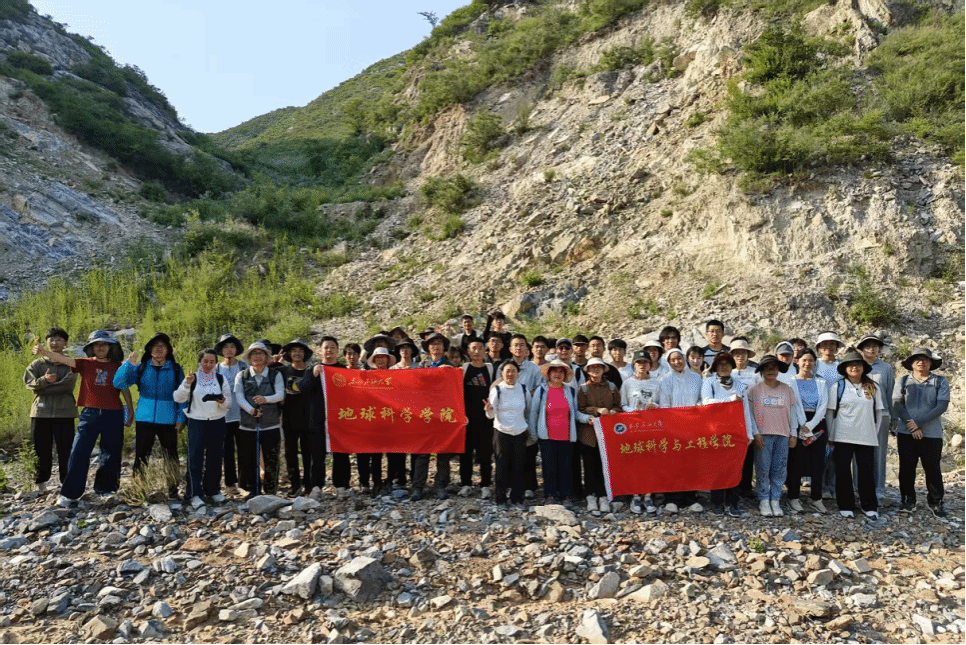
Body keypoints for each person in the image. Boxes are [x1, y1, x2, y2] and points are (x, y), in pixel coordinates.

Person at [35, 330, 133, 506]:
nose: (101, 348)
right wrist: (44, 352)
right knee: (79, 451)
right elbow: (63, 359)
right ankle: (70, 493)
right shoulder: (84, 364)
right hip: (90, 413)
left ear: (110, 347)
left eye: (104, 344)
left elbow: (124, 387)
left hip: (114, 413)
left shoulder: (118, 366)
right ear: (91, 348)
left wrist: (130, 409)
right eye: (97, 345)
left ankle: (107, 490)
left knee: (111, 452)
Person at [114, 332, 185, 498]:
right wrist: (128, 365)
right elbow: (118, 382)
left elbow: (183, 395)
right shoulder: (141, 367)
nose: (159, 349)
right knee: (141, 455)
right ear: (150, 350)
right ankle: (139, 489)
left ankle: (173, 490)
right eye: (155, 346)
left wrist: (181, 417)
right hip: (144, 418)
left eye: (163, 346)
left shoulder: (175, 369)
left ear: (168, 350)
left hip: (168, 417)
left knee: (171, 455)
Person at [826, 348, 884, 519]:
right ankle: (846, 505)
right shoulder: (838, 386)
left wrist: (874, 432)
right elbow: (830, 412)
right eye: (850, 364)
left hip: (866, 436)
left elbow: (879, 412)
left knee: (866, 472)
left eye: (858, 364)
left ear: (864, 367)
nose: (854, 367)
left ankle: (869, 505)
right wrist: (830, 435)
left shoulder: (872, 386)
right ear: (845, 368)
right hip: (842, 435)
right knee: (843, 471)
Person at [892, 347, 950, 517]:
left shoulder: (940, 381)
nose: (921, 362)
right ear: (911, 363)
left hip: (931, 433)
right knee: (906, 468)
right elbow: (897, 404)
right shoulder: (903, 381)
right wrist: (911, 425)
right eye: (916, 359)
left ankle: (936, 501)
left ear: (931, 363)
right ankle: (908, 500)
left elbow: (942, 405)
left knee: (932, 469)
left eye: (925, 359)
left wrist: (918, 423)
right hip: (906, 433)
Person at [745, 355, 805, 517]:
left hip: (783, 434)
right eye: (767, 368)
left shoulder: (787, 389)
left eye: (774, 367)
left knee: (780, 468)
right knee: (763, 468)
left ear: (779, 370)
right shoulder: (754, 390)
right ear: (761, 371)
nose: (770, 371)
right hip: (763, 434)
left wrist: (794, 433)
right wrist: (755, 432)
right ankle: (764, 499)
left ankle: (775, 499)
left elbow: (793, 412)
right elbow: (749, 414)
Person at [174, 348, 232, 507]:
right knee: (195, 458)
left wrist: (222, 402)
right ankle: (193, 493)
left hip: (217, 421)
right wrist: (187, 384)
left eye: (212, 362)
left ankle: (213, 490)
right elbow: (178, 397)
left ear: (216, 363)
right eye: (205, 361)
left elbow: (228, 402)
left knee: (215, 457)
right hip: (196, 422)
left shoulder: (220, 379)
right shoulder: (192, 378)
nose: (208, 364)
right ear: (200, 362)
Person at [23, 327, 77, 492]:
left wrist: (42, 388)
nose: (55, 343)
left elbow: (68, 386)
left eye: (59, 339)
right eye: (51, 339)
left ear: (65, 342)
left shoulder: (70, 363)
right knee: (40, 448)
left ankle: (67, 483)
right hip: (41, 413)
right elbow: (29, 383)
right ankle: (41, 483)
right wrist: (44, 380)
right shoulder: (37, 364)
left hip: (65, 412)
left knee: (66, 449)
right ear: (46, 342)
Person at [529, 360, 589, 505]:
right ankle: (550, 494)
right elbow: (533, 414)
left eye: (561, 371)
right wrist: (533, 434)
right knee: (549, 467)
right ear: (548, 374)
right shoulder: (541, 391)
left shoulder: (570, 391)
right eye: (554, 371)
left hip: (566, 435)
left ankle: (566, 495)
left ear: (565, 375)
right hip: (547, 436)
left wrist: (588, 419)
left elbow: (575, 413)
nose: (557, 374)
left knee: (566, 467)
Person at [234, 342, 285, 498]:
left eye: (261, 353)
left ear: (266, 357)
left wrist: (266, 399)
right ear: (249, 358)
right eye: (254, 354)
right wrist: (251, 410)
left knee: (271, 459)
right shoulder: (242, 375)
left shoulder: (275, 375)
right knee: (249, 459)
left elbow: (280, 394)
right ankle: (251, 490)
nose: (257, 357)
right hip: (247, 425)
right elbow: (239, 396)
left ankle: (270, 491)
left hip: (271, 424)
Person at [701, 352, 748, 516]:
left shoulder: (740, 385)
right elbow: (706, 402)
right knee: (717, 468)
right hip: (715, 431)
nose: (723, 367)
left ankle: (733, 502)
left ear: (732, 366)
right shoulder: (709, 382)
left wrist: (749, 433)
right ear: (715, 367)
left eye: (727, 364)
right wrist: (730, 401)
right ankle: (717, 502)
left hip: (736, 431)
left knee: (735, 467)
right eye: (720, 364)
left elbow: (746, 411)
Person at [411, 332, 457, 501]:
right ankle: (418, 487)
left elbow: (455, 392)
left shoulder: (451, 366)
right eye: (432, 344)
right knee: (422, 453)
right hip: (425, 414)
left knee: (443, 453)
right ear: (428, 348)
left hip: (443, 414)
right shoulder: (421, 366)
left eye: (439, 343)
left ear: (444, 348)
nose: (435, 347)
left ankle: (440, 485)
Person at [658, 348, 704, 513]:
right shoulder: (665, 380)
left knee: (691, 464)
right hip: (673, 427)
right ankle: (672, 499)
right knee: (673, 465)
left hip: (693, 426)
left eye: (679, 358)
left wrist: (696, 410)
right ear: (669, 362)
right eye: (673, 360)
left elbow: (701, 399)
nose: (677, 362)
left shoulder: (696, 378)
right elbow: (664, 405)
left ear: (685, 359)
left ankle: (691, 498)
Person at [786, 348, 830, 514]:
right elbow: (793, 405)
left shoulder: (821, 382)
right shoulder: (791, 382)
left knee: (818, 461)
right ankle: (794, 497)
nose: (807, 363)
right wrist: (803, 424)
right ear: (797, 361)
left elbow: (823, 406)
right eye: (804, 360)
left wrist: (810, 425)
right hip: (797, 422)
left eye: (811, 360)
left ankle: (816, 498)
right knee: (796, 461)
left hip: (817, 423)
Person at [577, 357, 622, 513]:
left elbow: (618, 405)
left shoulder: (612, 387)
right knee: (589, 466)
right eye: (592, 368)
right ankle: (591, 496)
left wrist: (614, 411)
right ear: (588, 371)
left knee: (605, 466)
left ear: (604, 370)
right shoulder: (583, 389)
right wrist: (596, 410)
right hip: (589, 434)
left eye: (599, 367)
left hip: (607, 434)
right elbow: (580, 408)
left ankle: (603, 496)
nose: (595, 370)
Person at [297, 336, 341, 494]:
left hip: (339, 419)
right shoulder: (313, 370)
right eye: (326, 347)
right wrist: (313, 374)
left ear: (337, 351)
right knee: (317, 455)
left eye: (332, 347)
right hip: (317, 419)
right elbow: (302, 388)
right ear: (320, 351)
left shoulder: (343, 370)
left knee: (341, 455)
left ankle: (341, 485)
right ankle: (316, 486)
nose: (329, 350)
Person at [857, 333, 895, 501]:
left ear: (879, 349)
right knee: (858, 452)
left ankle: (879, 487)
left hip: (882, 413)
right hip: (859, 415)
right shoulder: (855, 366)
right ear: (861, 349)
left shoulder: (886, 368)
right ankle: (857, 487)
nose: (871, 349)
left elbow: (890, 393)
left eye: (874, 346)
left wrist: (894, 417)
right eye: (867, 346)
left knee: (879, 453)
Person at [485, 362, 530, 507]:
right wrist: (488, 409)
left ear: (518, 373)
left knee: (519, 465)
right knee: (501, 465)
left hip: (520, 431)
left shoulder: (523, 389)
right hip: (501, 432)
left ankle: (517, 498)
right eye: (507, 371)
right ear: (502, 374)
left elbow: (528, 410)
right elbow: (490, 415)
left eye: (513, 371)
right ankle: (500, 498)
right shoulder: (497, 390)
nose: (510, 374)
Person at [460, 339, 496, 498]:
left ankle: (485, 485)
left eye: (480, 348)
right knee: (466, 453)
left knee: (485, 454)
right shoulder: (463, 368)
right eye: (473, 348)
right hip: (466, 419)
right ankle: (466, 484)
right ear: (468, 351)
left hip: (486, 419)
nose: (477, 351)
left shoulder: (490, 368)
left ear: (485, 351)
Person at [279, 339, 313, 496]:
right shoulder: (283, 371)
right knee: (290, 453)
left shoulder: (311, 371)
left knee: (308, 452)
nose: (297, 353)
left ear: (305, 353)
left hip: (308, 418)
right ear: (289, 354)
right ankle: (294, 484)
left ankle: (309, 484)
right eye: (294, 350)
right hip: (288, 418)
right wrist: (273, 362)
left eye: (300, 350)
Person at [215, 334, 246, 495]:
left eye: (232, 346)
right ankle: (230, 484)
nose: (229, 350)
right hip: (223, 415)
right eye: (225, 347)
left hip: (242, 415)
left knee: (244, 450)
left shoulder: (244, 366)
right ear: (221, 350)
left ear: (237, 349)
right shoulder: (216, 368)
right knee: (226, 451)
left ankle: (244, 483)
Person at [728, 337, 758, 499]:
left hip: (751, 415)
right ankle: (733, 485)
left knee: (749, 451)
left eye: (743, 353)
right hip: (731, 418)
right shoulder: (728, 373)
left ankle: (746, 485)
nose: (740, 356)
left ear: (748, 355)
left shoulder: (755, 373)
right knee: (733, 452)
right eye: (736, 353)